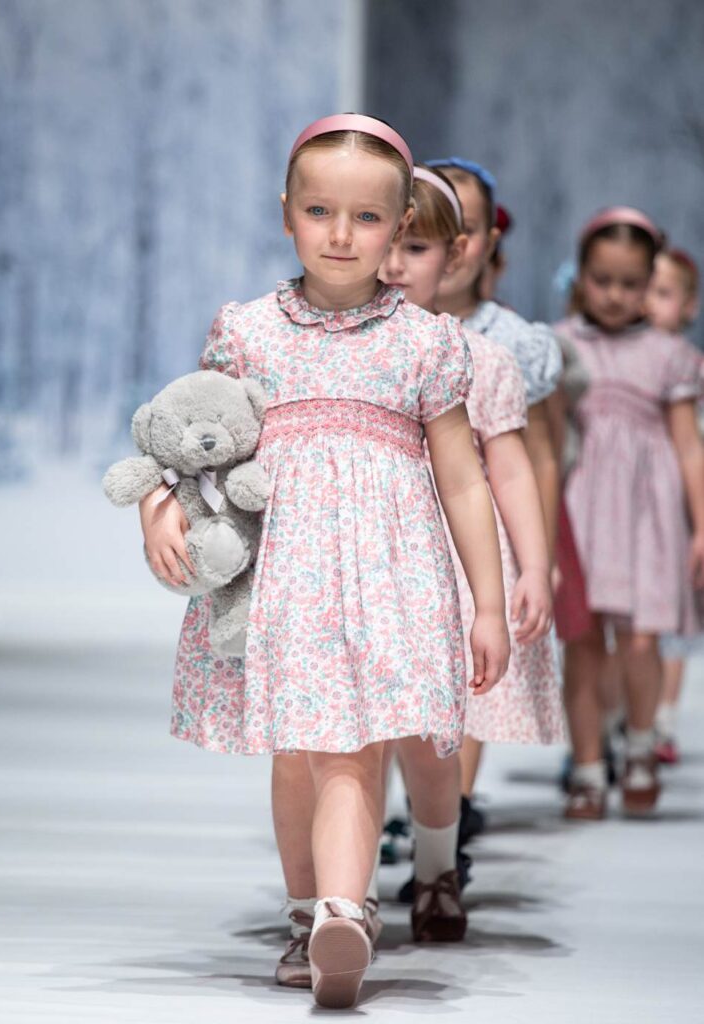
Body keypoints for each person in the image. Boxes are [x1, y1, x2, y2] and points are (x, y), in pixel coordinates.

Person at [138, 114, 510, 1010]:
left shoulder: (423, 342)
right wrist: (157, 507)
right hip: (283, 577)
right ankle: (307, 908)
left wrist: (487, 603)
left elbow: (463, 480)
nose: (340, 235)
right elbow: (196, 440)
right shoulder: (249, 330)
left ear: (397, 225)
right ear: (286, 215)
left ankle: (345, 911)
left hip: (388, 573)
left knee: (353, 744)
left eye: (367, 218)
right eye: (318, 210)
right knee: (299, 750)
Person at [379, 164, 563, 905]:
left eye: (414, 248)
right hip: (366, 555)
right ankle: (339, 891)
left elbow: (511, 467)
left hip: (455, 561)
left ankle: (435, 864)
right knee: (360, 721)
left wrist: (532, 566)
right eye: (384, 242)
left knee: (437, 725)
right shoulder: (337, 346)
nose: (391, 265)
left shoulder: (481, 357)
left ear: (455, 254)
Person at [556, 208, 704, 819]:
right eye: (602, 280)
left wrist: (701, 524)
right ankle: (589, 768)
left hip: (648, 513)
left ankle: (640, 745)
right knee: (584, 642)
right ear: (582, 277)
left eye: (631, 283)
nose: (616, 296)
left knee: (641, 640)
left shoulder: (669, 355)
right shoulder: (561, 344)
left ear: (650, 283)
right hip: (582, 506)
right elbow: (543, 442)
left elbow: (687, 441)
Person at [427, 157, 563, 823]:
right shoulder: (382, 329)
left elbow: (529, 455)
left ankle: (447, 813)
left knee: (469, 678)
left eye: (468, 228)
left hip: (478, 528)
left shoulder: (506, 342)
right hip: (398, 524)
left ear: (482, 243)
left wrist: (537, 557)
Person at [645, 248, 702, 764]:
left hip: (676, 503)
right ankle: (626, 717)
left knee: (673, 621)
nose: (649, 303)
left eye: (663, 294)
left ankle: (661, 718)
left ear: (689, 306)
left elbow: (693, 445)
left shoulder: (690, 367)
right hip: (627, 504)